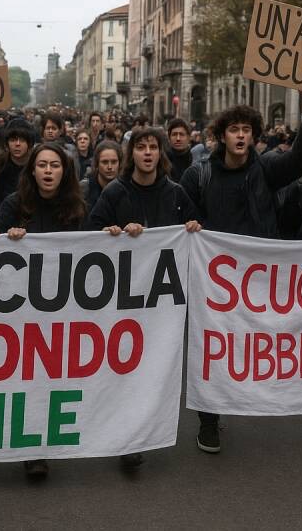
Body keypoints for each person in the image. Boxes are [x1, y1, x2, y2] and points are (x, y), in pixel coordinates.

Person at [180, 91, 302, 454]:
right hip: (213, 281)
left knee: (253, 343)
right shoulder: (199, 174)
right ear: (221, 135)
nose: (240, 136)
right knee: (212, 348)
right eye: (234, 130)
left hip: (255, 279)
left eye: (246, 130)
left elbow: (301, 158)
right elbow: (183, 213)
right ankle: (208, 420)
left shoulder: (266, 170)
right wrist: (192, 225)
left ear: (254, 136)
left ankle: (250, 396)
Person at [88, 127, 200, 469]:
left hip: (162, 301)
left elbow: (196, 228)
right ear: (131, 154)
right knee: (125, 367)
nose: (148, 153)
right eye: (141, 147)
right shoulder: (115, 192)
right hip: (123, 297)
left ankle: (138, 433)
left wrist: (194, 228)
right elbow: (89, 235)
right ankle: (125, 436)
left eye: (153, 147)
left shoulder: (176, 193)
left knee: (152, 368)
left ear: (160, 153)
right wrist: (112, 234)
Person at [0, 141, 86, 479]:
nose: (48, 171)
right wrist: (3, 237)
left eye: (55, 165)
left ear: (65, 171)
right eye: (42, 165)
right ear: (32, 171)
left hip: (63, 308)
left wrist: (117, 236)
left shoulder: (78, 207)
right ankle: (32, 449)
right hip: (20, 309)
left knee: (53, 377)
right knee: (27, 378)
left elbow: (96, 251)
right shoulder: (13, 205)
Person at [0, 117, 36, 208]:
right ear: (7, 143)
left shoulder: (36, 165)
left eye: (22, 140)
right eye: (13, 140)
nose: (17, 144)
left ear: (29, 143)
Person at [79, 140, 121, 214]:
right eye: (105, 162)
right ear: (97, 164)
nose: (110, 167)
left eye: (114, 162)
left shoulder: (126, 189)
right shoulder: (84, 188)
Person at [166, 118, 193, 183]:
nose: (178, 138)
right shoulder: (162, 162)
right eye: (174, 134)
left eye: (181, 134)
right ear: (169, 138)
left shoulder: (196, 161)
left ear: (189, 138)